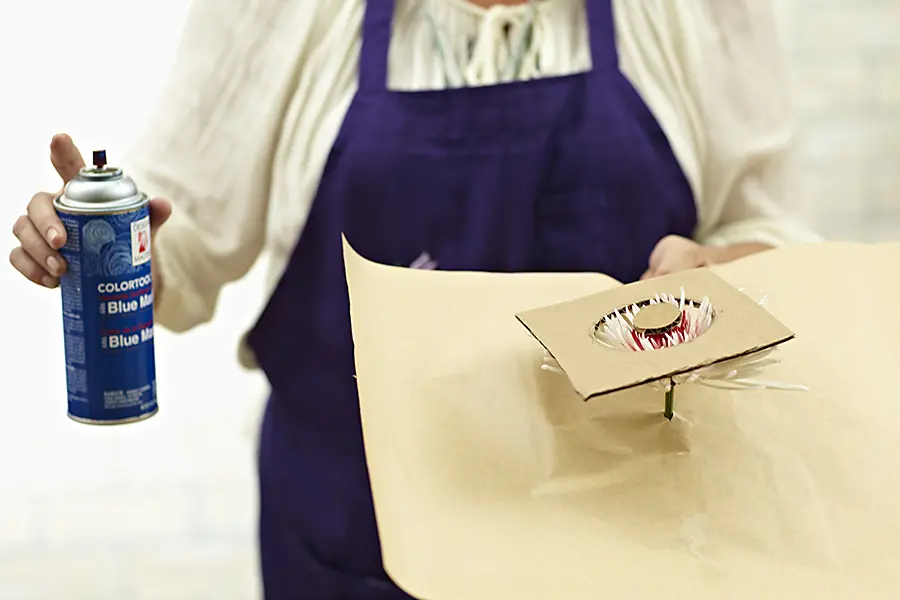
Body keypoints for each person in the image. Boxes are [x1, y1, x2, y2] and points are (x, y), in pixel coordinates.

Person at [10, 0, 820, 597]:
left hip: (638, 544)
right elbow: (184, 244)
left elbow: (767, 223)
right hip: (357, 544)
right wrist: (103, 249)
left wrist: (720, 268)